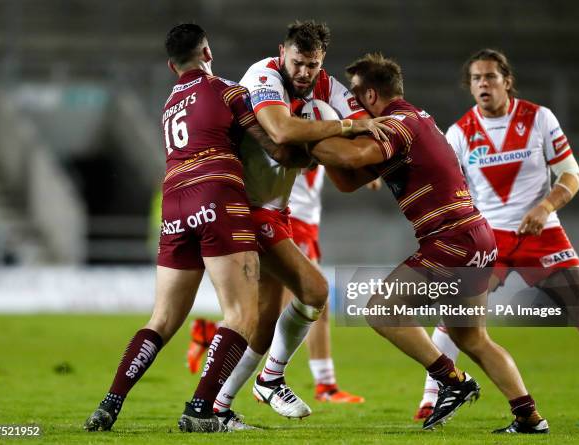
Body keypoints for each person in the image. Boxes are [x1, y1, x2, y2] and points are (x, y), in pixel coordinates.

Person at [307, 52, 549, 433]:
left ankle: (452, 382)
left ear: (371, 96)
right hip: (474, 236)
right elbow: (349, 179)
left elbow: (352, 157)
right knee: (472, 337)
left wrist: (306, 132)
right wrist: (327, 146)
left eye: (354, 95)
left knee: (381, 309)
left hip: (450, 240)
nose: (350, 104)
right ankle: (529, 416)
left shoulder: (397, 123)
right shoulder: (416, 119)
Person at [84, 23, 297, 433]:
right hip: (217, 192)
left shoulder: (169, 105)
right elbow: (274, 147)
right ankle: (200, 409)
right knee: (241, 314)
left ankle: (110, 404)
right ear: (208, 53)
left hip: (174, 201)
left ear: (171, 65)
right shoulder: (227, 91)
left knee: (161, 318)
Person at [209, 20, 388, 421]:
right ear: (282, 53)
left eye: (313, 64)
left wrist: (363, 144)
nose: (304, 72)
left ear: (321, 62)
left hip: (276, 207)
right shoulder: (264, 74)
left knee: (265, 316)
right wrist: (345, 128)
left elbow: (369, 133)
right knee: (314, 291)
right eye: (297, 62)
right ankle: (268, 379)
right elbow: (280, 128)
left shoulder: (326, 89)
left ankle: (218, 406)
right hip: (244, 204)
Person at [415, 48, 579, 424]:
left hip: (542, 232)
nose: (483, 84)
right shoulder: (459, 133)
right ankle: (431, 400)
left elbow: (571, 173)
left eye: (490, 77)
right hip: (488, 239)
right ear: (470, 86)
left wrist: (544, 208)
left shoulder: (539, 118)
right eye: (476, 78)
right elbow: (445, 184)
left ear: (507, 81)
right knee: (454, 316)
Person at [187, 166, 366, 404]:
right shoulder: (307, 129)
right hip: (291, 216)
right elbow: (322, 153)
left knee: (288, 307)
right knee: (311, 299)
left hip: (302, 218)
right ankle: (319, 384)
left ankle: (214, 341)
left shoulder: (326, 128)